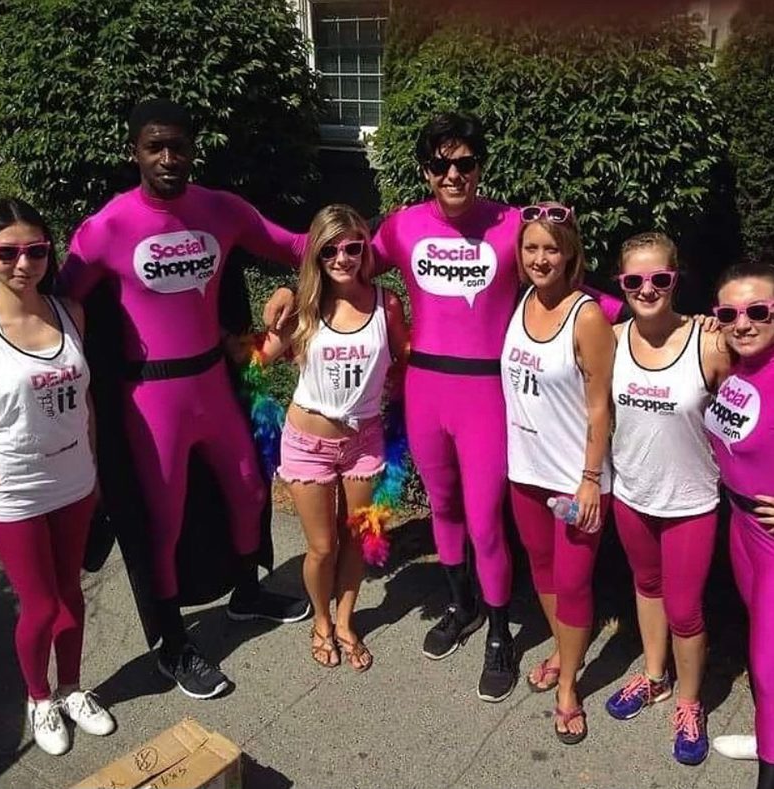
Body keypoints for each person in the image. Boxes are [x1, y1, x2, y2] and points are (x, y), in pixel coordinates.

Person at [265, 113, 625, 702]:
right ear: (425, 171)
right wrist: (289, 285)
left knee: (485, 520)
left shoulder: (511, 225)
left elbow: (564, 279)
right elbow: (337, 256)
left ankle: (500, 633)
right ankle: (462, 607)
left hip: (484, 393)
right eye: (440, 164)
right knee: (445, 509)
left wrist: (650, 314)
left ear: (480, 167)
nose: (453, 174)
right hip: (426, 389)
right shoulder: (404, 226)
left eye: (464, 163)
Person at [58, 98, 310, 700]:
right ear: (135, 153)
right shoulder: (106, 228)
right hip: (151, 399)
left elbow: (301, 245)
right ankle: (172, 644)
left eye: (177, 146)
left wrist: (374, 240)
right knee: (162, 522)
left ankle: (247, 594)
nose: (168, 157)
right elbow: (56, 307)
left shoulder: (221, 209)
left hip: (211, 384)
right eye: (155, 147)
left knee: (250, 490)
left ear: (193, 150)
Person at [0, 198, 115, 755]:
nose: (23, 263)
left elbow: (87, 401)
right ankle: (39, 697)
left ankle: (72, 688)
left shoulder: (70, 313)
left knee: (70, 593)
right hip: (14, 489)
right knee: (39, 605)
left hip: (75, 479)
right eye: (7, 252)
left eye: (35, 250)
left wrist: (95, 468)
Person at [257, 205, 407, 670]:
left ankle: (345, 622)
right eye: (329, 250)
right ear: (317, 256)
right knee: (322, 547)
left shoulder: (387, 304)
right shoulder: (305, 307)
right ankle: (321, 622)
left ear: (365, 250)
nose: (342, 258)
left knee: (357, 539)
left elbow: (405, 361)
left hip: (365, 441)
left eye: (352, 248)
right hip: (308, 445)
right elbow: (256, 358)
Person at [604, 233, 730, 765]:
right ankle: (655, 677)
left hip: (691, 502)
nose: (647, 289)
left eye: (659, 278)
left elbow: (755, 403)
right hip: (631, 494)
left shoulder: (710, 343)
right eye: (634, 280)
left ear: (676, 280)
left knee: (685, 609)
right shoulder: (610, 340)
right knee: (647, 587)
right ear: (622, 284)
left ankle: (689, 702)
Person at [502, 203, 615, 743]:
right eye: (531, 248)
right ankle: (563, 650)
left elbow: (600, 407)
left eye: (551, 248)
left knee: (572, 583)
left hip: (575, 480)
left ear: (570, 254)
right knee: (543, 571)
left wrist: (590, 479)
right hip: (525, 470)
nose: (540, 258)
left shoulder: (586, 316)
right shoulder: (520, 299)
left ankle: (569, 686)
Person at [704, 259, 774, 789]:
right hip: (741, 526)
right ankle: (768, 732)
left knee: (768, 666)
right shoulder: (736, 364)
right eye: (729, 313)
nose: (743, 323)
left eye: (759, 311)